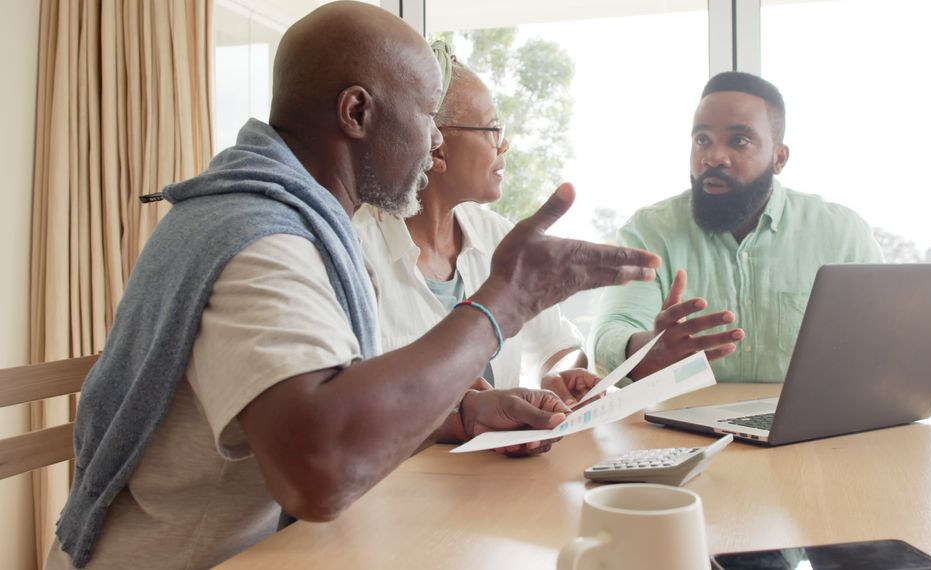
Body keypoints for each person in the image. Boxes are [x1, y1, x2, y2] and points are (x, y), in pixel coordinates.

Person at [45, 3, 659, 569]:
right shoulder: (262, 241)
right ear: (358, 112)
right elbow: (321, 472)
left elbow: (335, 404)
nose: (436, 141)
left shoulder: (274, 218)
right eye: (425, 114)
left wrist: (461, 412)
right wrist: (503, 302)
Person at [589, 71, 931, 412]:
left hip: (808, 442)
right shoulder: (648, 231)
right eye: (702, 140)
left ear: (780, 157)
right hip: (677, 440)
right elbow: (608, 336)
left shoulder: (842, 232)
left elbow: (893, 345)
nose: (715, 157)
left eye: (740, 141)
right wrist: (648, 349)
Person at [353, 44, 599, 407]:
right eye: (491, 129)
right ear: (435, 147)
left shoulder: (498, 236)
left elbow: (557, 343)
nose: (505, 144)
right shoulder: (357, 247)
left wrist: (560, 372)